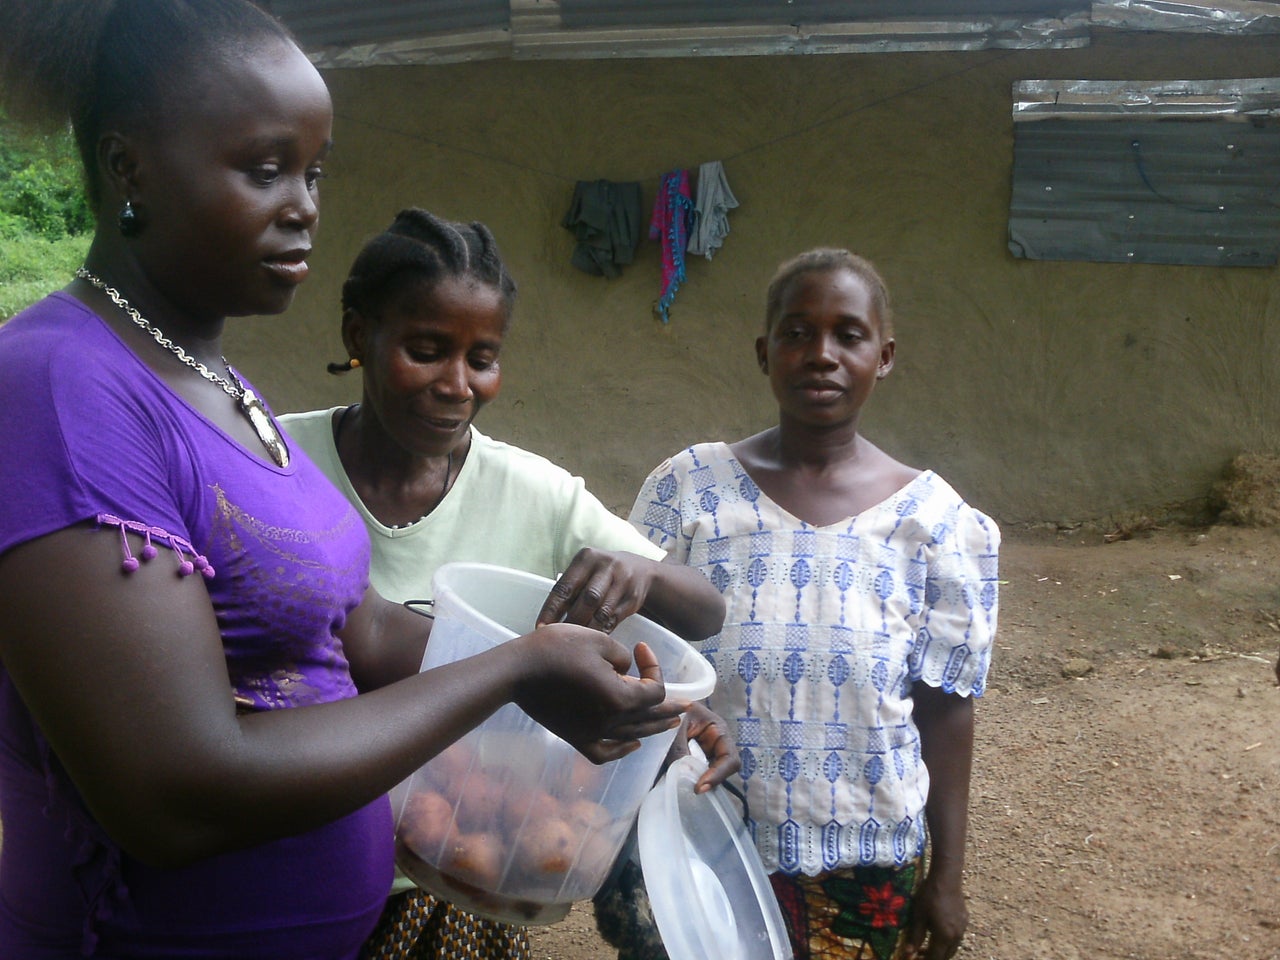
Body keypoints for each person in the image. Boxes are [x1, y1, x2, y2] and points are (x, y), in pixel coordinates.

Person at [0, 5, 690, 958]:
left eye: (314, 172)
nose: (305, 205)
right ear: (130, 168)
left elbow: (354, 629)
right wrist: (519, 671)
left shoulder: (224, 392)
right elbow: (175, 794)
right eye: (264, 167)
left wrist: (588, 674)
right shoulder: (62, 387)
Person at [280, 207, 736, 960]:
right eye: (426, 351)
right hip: (303, 865)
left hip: (457, 869)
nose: (457, 385)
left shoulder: (534, 493)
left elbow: (706, 609)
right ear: (360, 336)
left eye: (482, 358)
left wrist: (642, 571)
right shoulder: (276, 459)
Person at [628, 248, 1001, 960]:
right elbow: (635, 653)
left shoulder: (936, 523)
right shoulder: (690, 491)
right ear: (765, 353)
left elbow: (947, 708)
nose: (821, 354)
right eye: (797, 333)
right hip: (698, 833)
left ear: (884, 356)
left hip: (864, 854)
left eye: (848, 335)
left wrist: (949, 876)